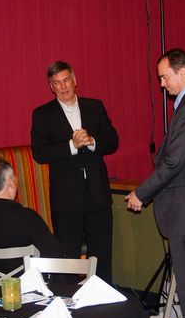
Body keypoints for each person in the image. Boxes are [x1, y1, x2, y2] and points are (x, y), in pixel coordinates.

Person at [125, 48, 185, 318]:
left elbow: (173, 163)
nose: (162, 84)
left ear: (181, 72)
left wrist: (142, 193)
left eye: (164, 77)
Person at [31, 60, 119, 282]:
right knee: (68, 255)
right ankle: (69, 305)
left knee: (102, 253)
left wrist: (90, 141)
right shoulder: (42, 114)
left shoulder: (95, 106)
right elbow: (40, 153)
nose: (63, 86)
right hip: (66, 197)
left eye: (66, 80)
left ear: (75, 80)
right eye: (57, 83)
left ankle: (103, 300)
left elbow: (112, 141)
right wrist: (72, 145)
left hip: (98, 193)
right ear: (51, 87)